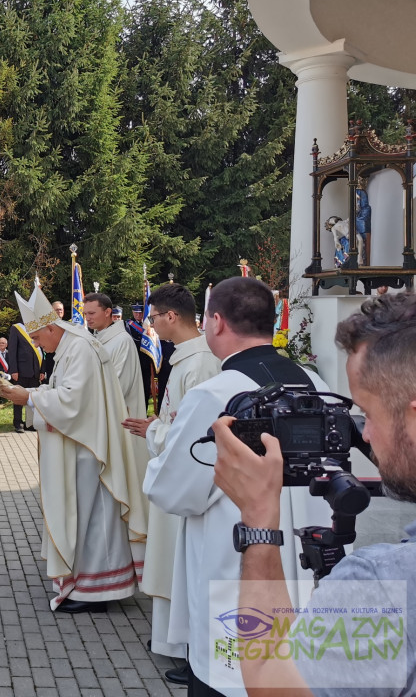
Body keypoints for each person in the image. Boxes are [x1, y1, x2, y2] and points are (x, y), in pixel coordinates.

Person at [211, 291, 416, 696]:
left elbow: (274, 685)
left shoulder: (383, 583)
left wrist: (258, 521)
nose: (366, 436)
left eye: (368, 414)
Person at [142, 277, 332, 695]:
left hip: (238, 568)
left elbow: (174, 490)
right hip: (311, 567)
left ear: (216, 322)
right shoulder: (318, 386)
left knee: (233, 675)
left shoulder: (218, 395)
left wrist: (156, 462)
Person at [0, 282, 148, 614]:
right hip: (82, 445)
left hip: (90, 450)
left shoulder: (78, 347)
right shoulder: (72, 345)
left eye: (38, 339)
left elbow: (73, 401)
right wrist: (38, 392)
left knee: (95, 520)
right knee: (88, 518)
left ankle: (98, 592)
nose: (38, 345)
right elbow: (65, 390)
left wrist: (29, 397)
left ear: (51, 327)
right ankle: (91, 585)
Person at [120, 283, 220, 685]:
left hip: (185, 480)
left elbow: (191, 435)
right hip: (172, 469)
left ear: (172, 317)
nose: (151, 324)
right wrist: (159, 427)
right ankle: (171, 641)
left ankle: (189, 649)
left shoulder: (199, 365)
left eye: (155, 317)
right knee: (171, 563)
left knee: (184, 565)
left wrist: (156, 431)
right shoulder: (187, 359)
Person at [83, 292, 145, 415]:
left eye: (92, 313)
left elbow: (118, 387)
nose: (87, 318)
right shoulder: (96, 339)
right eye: (85, 314)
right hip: (100, 411)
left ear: (107, 312)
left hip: (118, 415)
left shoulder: (122, 341)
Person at [7, 320, 43, 432]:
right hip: (20, 371)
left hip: (35, 370)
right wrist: (13, 370)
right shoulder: (16, 328)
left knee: (32, 397)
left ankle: (30, 423)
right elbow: (12, 351)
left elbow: (41, 350)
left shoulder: (37, 327)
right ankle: (18, 423)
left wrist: (42, 370)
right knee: (18, 397)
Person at [125, 304, 154, 412]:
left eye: (140, 312)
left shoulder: (149, 325)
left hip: (145, 362)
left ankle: (144, 411)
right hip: (133, 361)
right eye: (136, 312)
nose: (138, 314)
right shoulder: (127, 325)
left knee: (146, 388)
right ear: (132, 312)